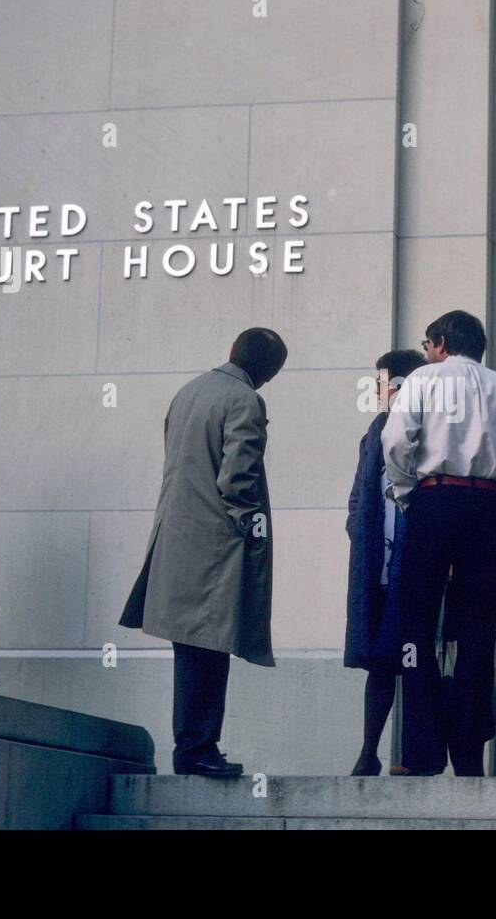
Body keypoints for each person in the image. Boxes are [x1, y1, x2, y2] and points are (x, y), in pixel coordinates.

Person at [120, 328, 287, 778]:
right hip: (215, 546)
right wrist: (248, 525)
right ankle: (197, 750)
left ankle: (193, 748)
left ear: (232, 351)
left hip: (176, 538)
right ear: (269, 373)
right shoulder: (246, 400)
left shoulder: (189, 391)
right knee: (209, 647)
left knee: (193, 649)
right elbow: (238, 479)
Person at [382, 310, 496, 776]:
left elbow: (395, 443)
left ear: (443, 341)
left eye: (430, 344)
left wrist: (410, 496)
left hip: (434, 502)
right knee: (476, 637)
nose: (428, 351)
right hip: (488, 510)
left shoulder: (424, 380)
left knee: (417, 631)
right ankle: (470, 757)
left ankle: (423, 754)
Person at [344, 348, 425, 776]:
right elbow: (358, 496)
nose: (376, 390)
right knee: (379, 662)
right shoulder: (375, 429)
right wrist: (358, 531)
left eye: (382, 382)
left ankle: (413, 758)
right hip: (377, 565)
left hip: (415, 566)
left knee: (414, 661)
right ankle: (368, 752)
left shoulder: (432, 428)